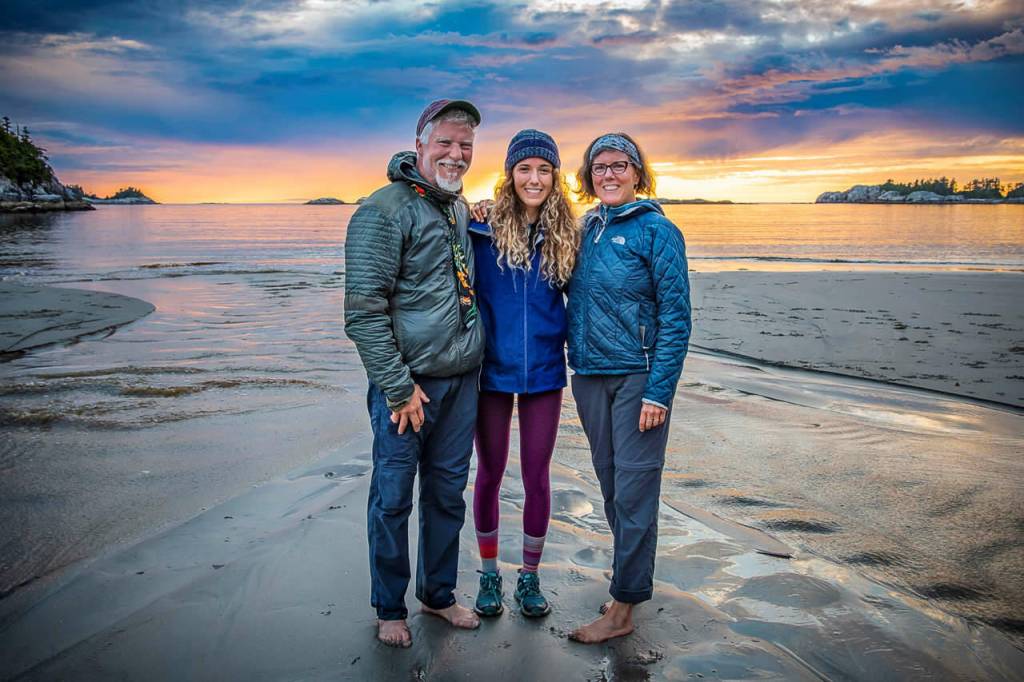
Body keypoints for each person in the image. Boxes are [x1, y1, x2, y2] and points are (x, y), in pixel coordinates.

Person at [344, 99, 485, 648]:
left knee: (448, 495)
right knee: (393, 498)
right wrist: (399, 388)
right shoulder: (384, 209)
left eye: (466, 146)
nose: (456, 154)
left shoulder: (458, 208)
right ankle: (389, 607)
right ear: (421, 143)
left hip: (461, 383)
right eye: (446, 142)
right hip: (407, 388)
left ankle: (439, 595)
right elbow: (363, 311)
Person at [565, 133, 691, 644]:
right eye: (600, 167)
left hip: (638, 378)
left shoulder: (658, 231)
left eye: (620, 166)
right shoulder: (586, 228)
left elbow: (677, 318)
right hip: (590, 375)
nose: (609, 175)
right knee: (613, 488)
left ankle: (623, 609)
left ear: (638, 173)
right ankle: (625, 584)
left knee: (636, 490)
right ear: (589, 176)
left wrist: (660, 392)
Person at [467, 130, 580, 618]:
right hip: (489, 372)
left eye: (543, 169)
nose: (534, 178)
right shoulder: (480, 229)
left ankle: (529, 578)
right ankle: (489, 575)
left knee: (537, 475)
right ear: (510, 174)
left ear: (555, 177)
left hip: (545, 373)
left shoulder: (567, 235)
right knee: (489, 473)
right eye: (524, 168)